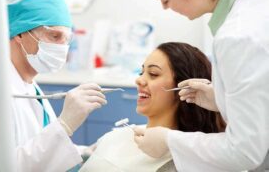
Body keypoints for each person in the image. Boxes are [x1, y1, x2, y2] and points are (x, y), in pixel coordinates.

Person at [134, 0, 269, 171]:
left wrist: (169, 140)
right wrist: (222, 100)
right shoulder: (257, 4)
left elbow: (245, 153)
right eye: (141, 72)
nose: (164, 7)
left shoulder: (237, 36)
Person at [0, 0, 106, 171]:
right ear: (20, 33)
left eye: (67, 39)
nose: (62, 49)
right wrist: (64, 125)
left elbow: (35, 146)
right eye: (55, 36)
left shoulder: (28, 84)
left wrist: (85, 153)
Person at [79, 42, 225, 172]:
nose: (139, 80)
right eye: (141, 72)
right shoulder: (117, 135)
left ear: (185, 87)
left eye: (153, 74)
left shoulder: (182, 161)